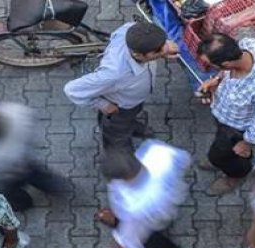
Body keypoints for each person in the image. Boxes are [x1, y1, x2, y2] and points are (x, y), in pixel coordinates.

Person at [64, 23, 178, 175]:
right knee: (117, 139)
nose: (165, 49)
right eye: (157, 50)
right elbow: (72, 89)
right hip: (119, 109)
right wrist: (103, 104)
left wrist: (161, 50)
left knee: (131, 116)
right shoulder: (114, 74)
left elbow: (118, 32)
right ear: (138, 55)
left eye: (163, 44)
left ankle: (132, 127)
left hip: (133, 101)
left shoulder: (132, 31)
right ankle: (126, 167)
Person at [196, 33, 255, 195]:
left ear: (226, 63)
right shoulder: (249, 44)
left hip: (236, 130)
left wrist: (247, 143)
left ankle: (235, 176)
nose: (210, 68)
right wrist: (217, 80)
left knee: (224, 156)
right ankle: (218, 159)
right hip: (223, 117)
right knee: (219, 145)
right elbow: (224, 73)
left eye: (211, 65)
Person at [95, 141, 191, 248]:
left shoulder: (137, 204)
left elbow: (134, 230)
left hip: (150, 219)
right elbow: (183, 158)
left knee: (151, 240)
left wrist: (123, 242)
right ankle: (117, 220)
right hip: (166, 199)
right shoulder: (155, 151)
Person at [0, 103, 70, 211]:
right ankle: (56, 187)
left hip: (8, 176)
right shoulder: (16, 112)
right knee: (39, 176)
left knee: (10, 194)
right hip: (27, 162)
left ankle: (23, 204)